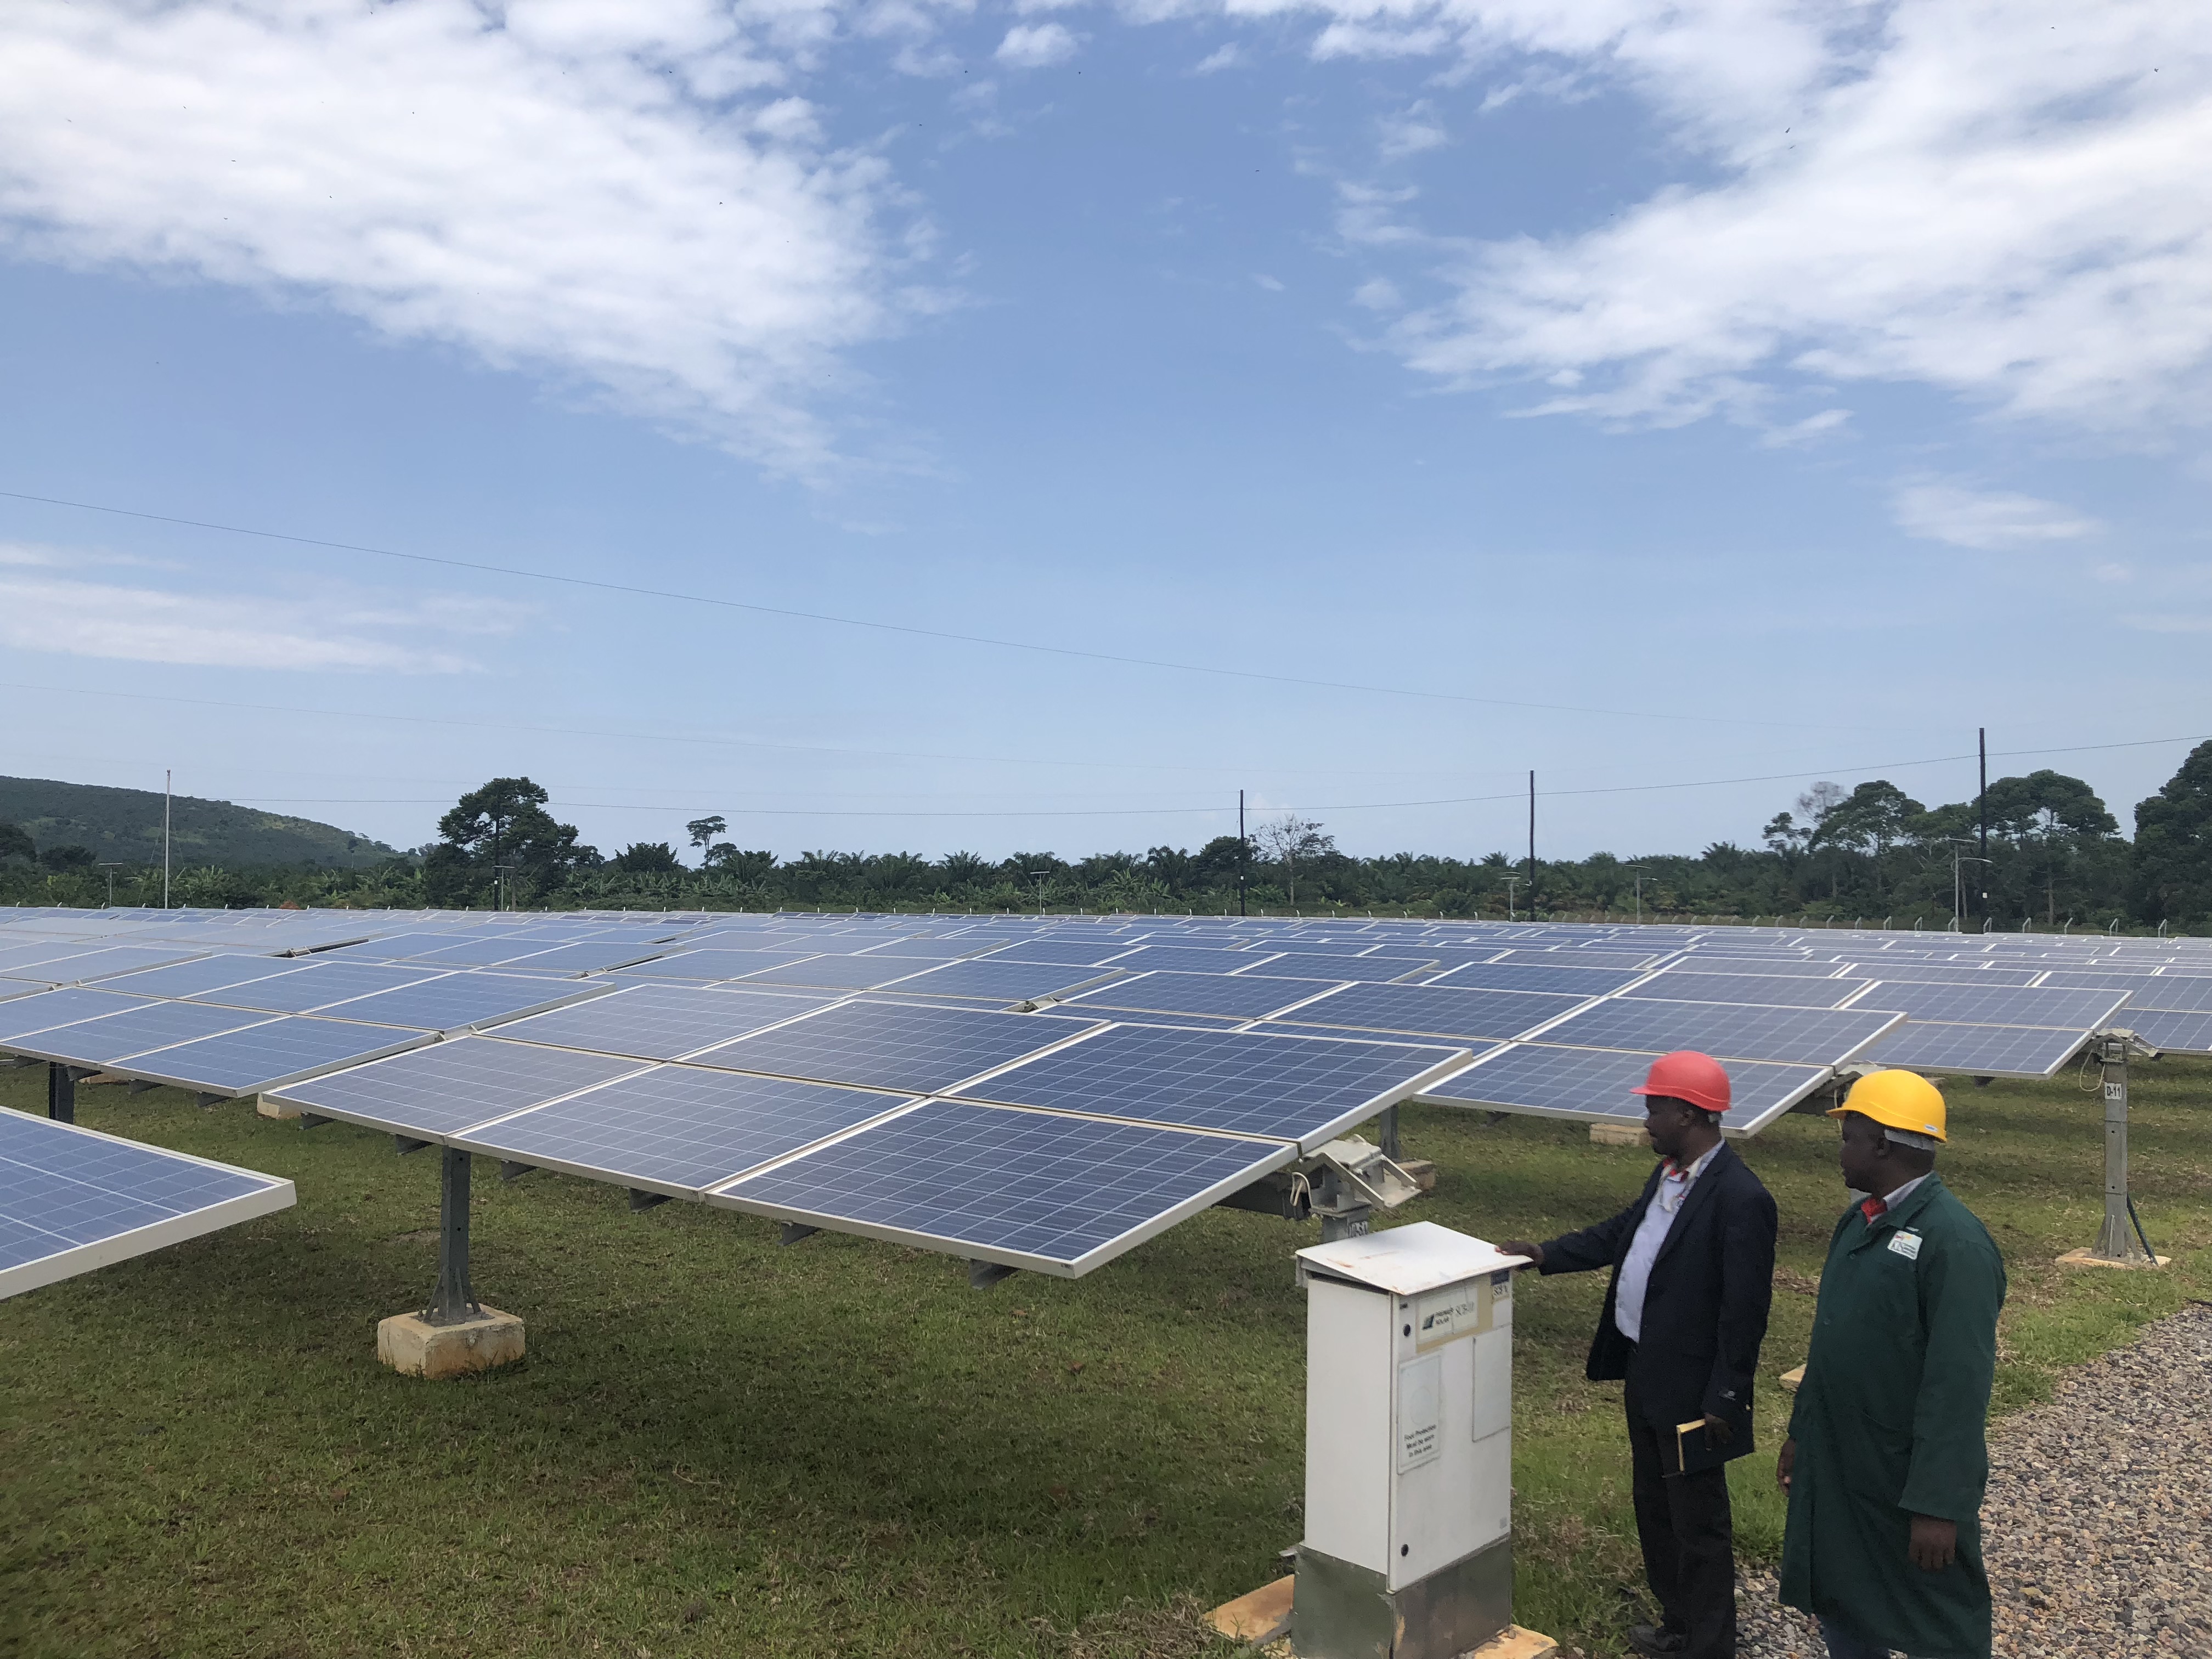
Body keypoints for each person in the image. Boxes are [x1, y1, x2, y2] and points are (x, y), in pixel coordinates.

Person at [1499, 1051, 1776, 1659]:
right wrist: (1543, 1254)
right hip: (1646, 1371)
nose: (1646, 1119)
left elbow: (1744, 1313)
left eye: (1654, 1108)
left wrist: (1727, 1396)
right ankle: (1676, 1624)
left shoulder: (1742, 1198)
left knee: (1698, 1523)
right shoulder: (1669, 1176)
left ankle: (1709, 1647)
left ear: (1686, 1113)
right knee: (1655, 1508)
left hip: (1695, 1391)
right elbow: (1618, 1234)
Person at [1776, 1069, 2005, 1659]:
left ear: (1881, 1143)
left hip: (1900, 1473)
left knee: (1936, 1617)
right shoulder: (1860, 1222)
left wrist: (1939, 1504)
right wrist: (1801, 1434)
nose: (1841, 1150)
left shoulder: (1955, 1243)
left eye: (1848, 1136)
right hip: (1841, 1458)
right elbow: (1828, 1346)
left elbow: (1959, 1384)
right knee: (1843, 1592)